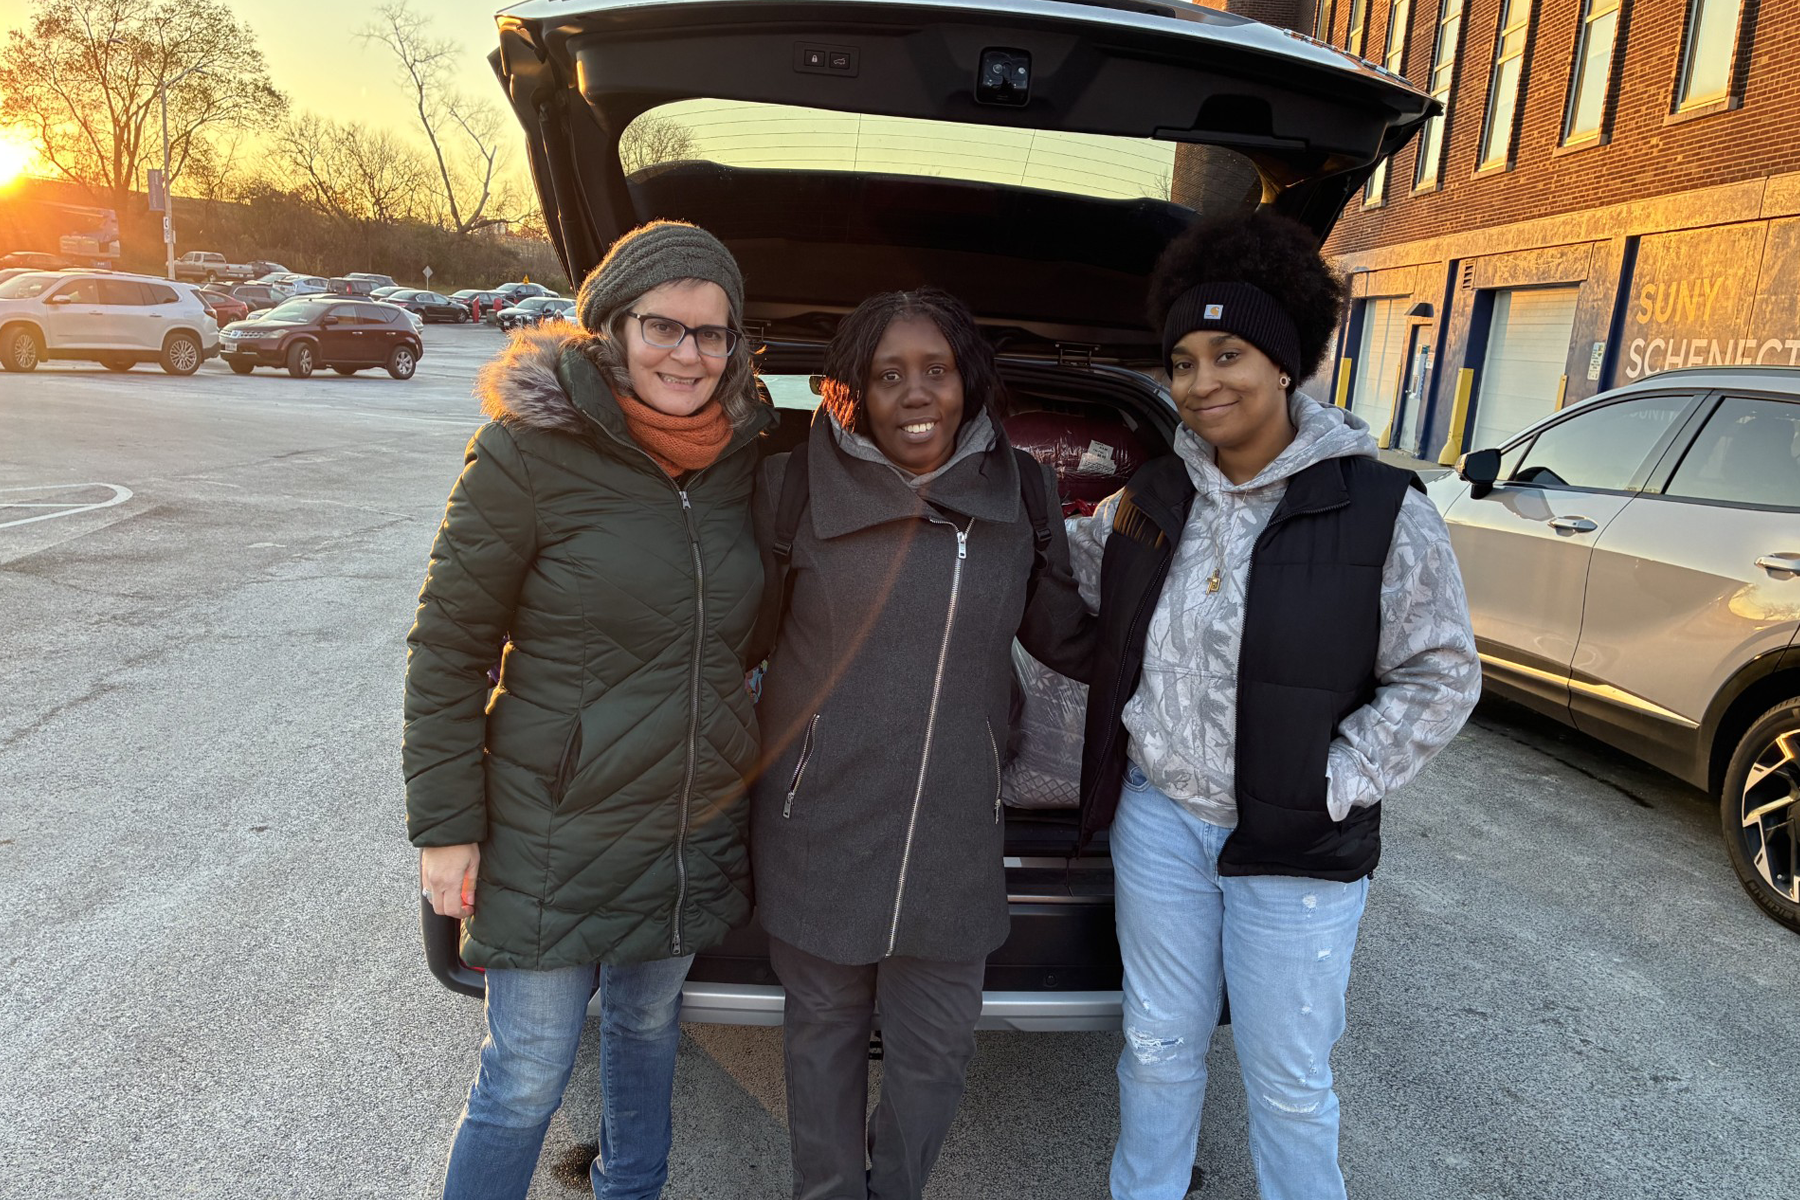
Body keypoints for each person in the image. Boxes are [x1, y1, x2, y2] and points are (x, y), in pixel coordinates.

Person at [1067, 211, 1482, 1200]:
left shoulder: (1382, 510)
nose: (1203, 380)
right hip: (1159, 821)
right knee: (1158, 1047)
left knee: (1288, 1082)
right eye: (1183, 359)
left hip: (1294, 844)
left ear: (1285, 363)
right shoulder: (1153, 495)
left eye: (1230, 353)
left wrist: (1336, 779)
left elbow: (1442, 674)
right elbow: (1063, 561)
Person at [403, 220, 771, 1200]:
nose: (688, 355)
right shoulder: (527, 453)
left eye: (713, 333)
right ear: (608, 328)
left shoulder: (742, 462)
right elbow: (446, 650)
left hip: (686, 821)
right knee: (526, 1071)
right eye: (664, 327)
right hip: (551, 823)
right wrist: (446, 829)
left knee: (648, 1030)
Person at [751, 287, 1093, 1200]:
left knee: (935, 1055)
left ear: (966, 380)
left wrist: (1176, 600)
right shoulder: (792, 484)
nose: (916, 394)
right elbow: (728, 636)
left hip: (952, 831)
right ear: (852, 388)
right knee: (821, 1042)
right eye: (888, 373)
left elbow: (1064, 632)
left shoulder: (1020, 487)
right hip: (818, 818)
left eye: (934, 371)